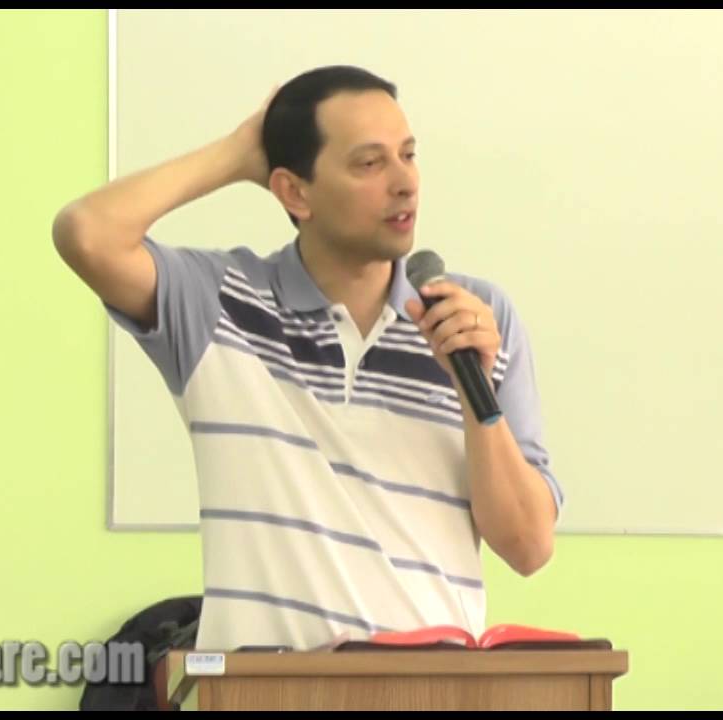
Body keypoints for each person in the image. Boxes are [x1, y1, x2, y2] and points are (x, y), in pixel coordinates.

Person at [53, 65, 561, 652]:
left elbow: (528, 548)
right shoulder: (221, 303)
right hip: (263, 685)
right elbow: (87, 233)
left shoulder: (476, 318)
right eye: (370, 163)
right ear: (294, 192)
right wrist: (236, 154)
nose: (405, 183)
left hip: (434, 684)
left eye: (408, 155)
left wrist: (475, 393)